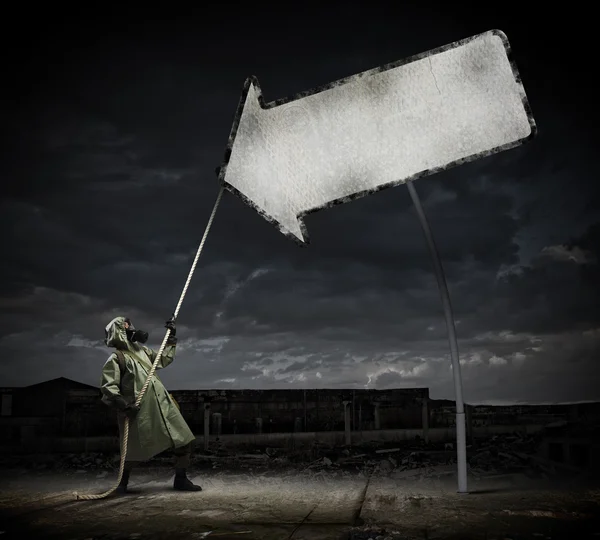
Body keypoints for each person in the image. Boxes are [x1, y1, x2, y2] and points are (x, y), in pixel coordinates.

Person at [100, 316, 202, 494]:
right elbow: (109, 387)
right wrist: (125, 406)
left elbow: (163, 359)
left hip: (162, 405)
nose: (130, 326)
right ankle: (122, 483)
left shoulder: (144, 351)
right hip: (138, 410)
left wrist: (171, 338)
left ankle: (181, 479)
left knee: (183, 439)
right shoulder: (117, 358)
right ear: (119, 331)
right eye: (125, 325)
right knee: (132, 448)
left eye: (129, 323)